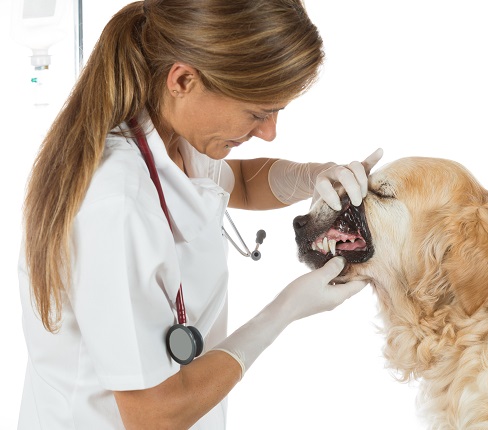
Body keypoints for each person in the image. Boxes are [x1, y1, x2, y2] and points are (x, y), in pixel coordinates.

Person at [17, 0, 382, 428]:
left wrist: (313, 175)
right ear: (183, 79)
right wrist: (283, 311)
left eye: (276, 112)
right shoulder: (116, 205)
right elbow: (153, 415)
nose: (269, 133)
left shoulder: (171, 133)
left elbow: (239, 182)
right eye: (257, 113)